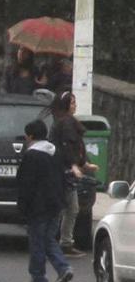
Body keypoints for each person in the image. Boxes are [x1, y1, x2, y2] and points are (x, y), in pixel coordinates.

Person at [17, 119, 73, 282]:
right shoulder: (55, 152)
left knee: (37, 242)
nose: (25, 139)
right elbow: (63, 177)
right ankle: (63, 269)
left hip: (37, 206)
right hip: (55, 204)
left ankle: (38, 278)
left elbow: (26, 183)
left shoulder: (31, 155)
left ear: (31, 136)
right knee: (48, 239)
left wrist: (22, 207)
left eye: (26, 135)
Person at [49, 92, 94, 257]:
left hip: (64, 171)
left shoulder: (65, 121)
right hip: (63, 172)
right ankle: (61, 243)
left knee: (70, 207)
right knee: (66, 207)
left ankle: (64, 242)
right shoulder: (66, 122)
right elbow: (68, 146)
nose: (75, 105)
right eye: (72, 103)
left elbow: (76, 147)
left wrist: (83, 163)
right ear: (66, 105)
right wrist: (75, 165)